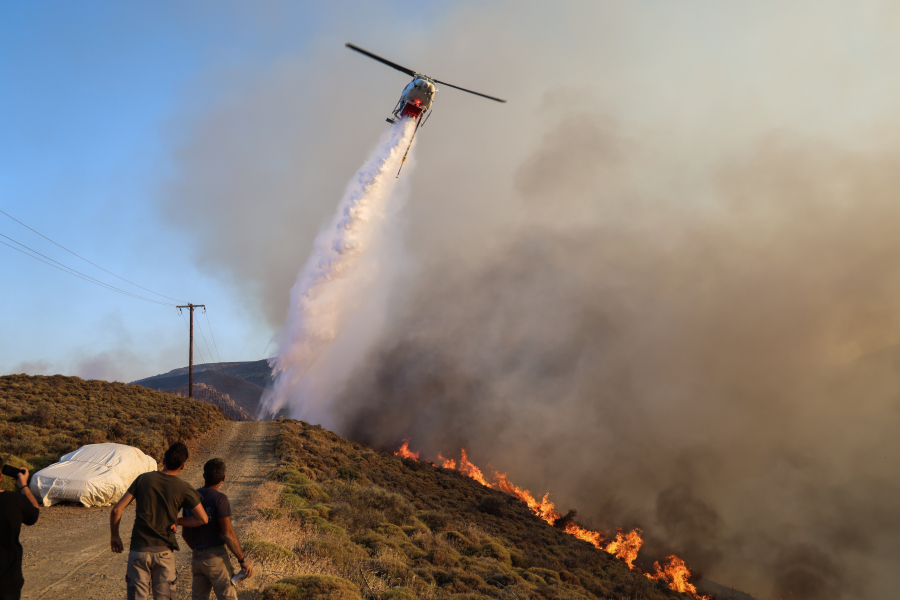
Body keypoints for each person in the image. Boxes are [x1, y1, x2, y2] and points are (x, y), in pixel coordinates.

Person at [110, 442, 209, 600]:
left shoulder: (143, 479)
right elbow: (203, 518)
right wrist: (178, 521)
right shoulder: (184, 487)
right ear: (183, 466)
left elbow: (116, 510)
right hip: (164, 553)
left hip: (139, 550)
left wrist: (115, 536)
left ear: (163, 460)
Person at [181, 458, 253, 600]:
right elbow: (228, 533)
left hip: (197, 559)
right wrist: (242, 559)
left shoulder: (190, 498)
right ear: (223, 478)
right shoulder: (220, 499)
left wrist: (198, 551)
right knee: (228, 597)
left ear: (203, 476)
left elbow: (185, 533)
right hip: (216, 559)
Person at [0, 455, 40, 600]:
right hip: (6, 583)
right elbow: (33, 513)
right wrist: (23, 485)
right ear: (0, 476)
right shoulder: (14, 500)